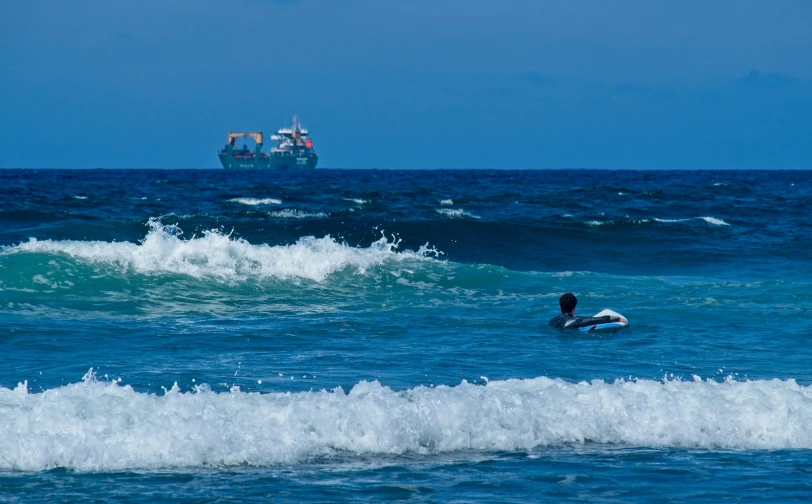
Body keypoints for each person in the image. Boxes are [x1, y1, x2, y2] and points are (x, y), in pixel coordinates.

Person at [549, 292, 627, 329]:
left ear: (560, 307)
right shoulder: (575, 320)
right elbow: (596, 320)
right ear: (574, 308)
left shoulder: (552, 321)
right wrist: (617, 318)